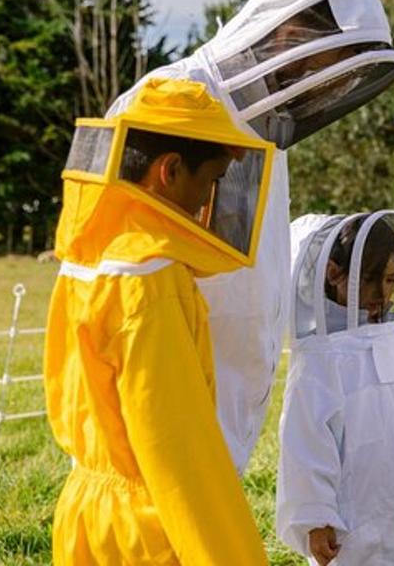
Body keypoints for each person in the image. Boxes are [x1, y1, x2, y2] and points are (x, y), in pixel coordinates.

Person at [107, 0, 394, 472]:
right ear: (292, 39)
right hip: (166, 393)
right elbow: (123, 265)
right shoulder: (170, 103)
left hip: (225, 400)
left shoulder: (264, 121)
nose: (331, 88)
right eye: (329, 69)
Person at [44, 77, 275, 564]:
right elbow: (179, 454)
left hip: (86, 514)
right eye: (210, 181)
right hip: (148, 531)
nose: (210, 202)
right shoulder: (149, 278)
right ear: (169, 171)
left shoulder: (92, 255)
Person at [277, 211, 394, 566]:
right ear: (334, 273)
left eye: (390, 280)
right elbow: (305, 443)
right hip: (350, 522)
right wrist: (315, 518)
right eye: (371, 279)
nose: (382, 294)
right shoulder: (320, 357)